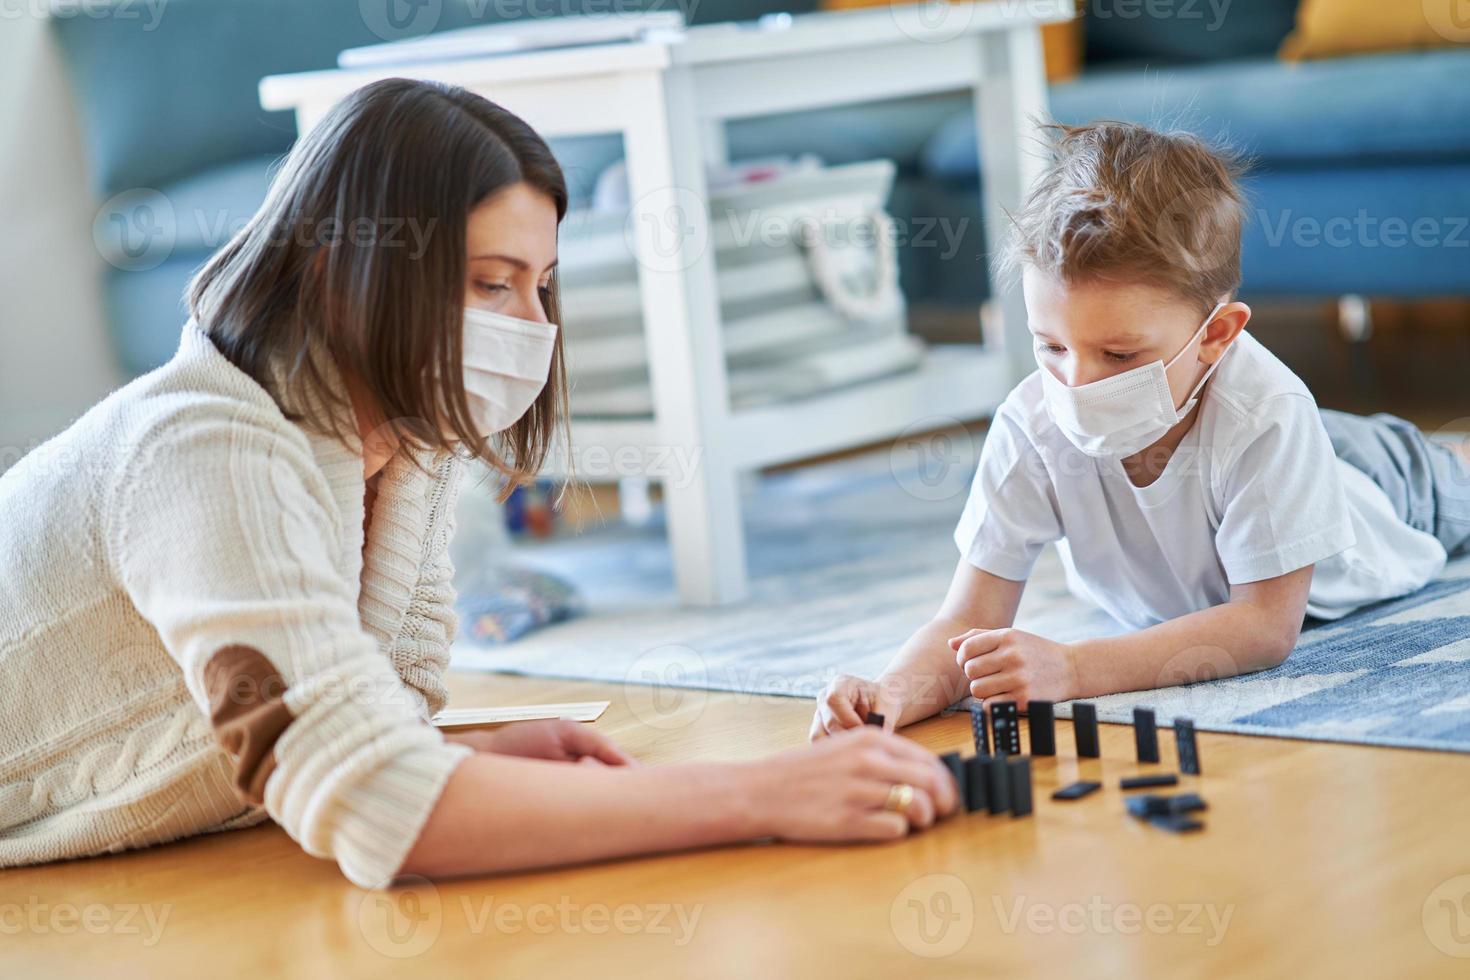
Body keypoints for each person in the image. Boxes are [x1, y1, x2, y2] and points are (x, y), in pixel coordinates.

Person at [0, 78, 956, 887]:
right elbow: (377, 811)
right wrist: (760, 793)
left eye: (540, 285)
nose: (531, 324)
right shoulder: (206, 454)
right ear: (343, 275)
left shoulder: (402, 445)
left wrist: (457, 755)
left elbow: (361, 723)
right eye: (492, 283)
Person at [812, 121, 1470, 738]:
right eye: (1051, 346)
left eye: (1119, 356)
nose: (1077, 384)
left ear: (1216, 335)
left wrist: (1071, 670)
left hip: (1382, 484)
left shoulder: (1268, 413)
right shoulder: (1031, 422)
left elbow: (1265, 628)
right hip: (1257, 450)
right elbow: (966, 618)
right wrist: (890, 694)